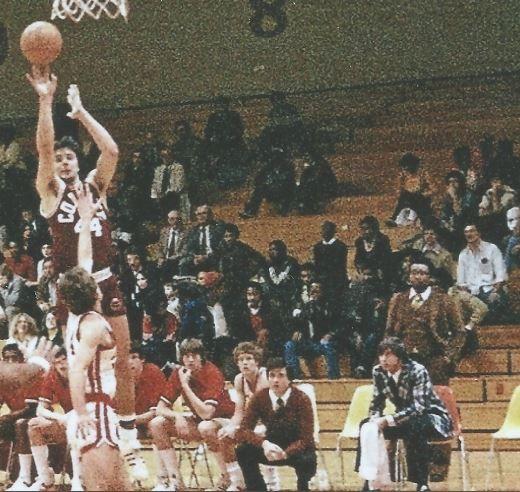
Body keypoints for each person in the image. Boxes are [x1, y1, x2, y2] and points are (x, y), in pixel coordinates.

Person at [27, 65, 145, 478]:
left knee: (123, 355)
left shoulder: (96, 185)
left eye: (68, 156)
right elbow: (42, 149)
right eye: (58, 158)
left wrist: (81, 113)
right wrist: (46, 101)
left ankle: (128, 438)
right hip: (72, 289)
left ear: (78, 161)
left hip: (105, 279)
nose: (62, 161)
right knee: (83, 363)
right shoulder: (50, 195)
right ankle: (87, 429)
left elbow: (111, 151)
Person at [357, 337, 452, 492]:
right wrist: (375, 419)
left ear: (399, 357)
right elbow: (376, 403)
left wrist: (388, 419)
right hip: (403, 418)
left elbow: (419, 407)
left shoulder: (417, 370)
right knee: (366, 425)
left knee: (416, 425)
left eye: (388, 355)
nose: (383, 359)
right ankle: (370, 479)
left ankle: (421, 482)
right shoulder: (378, 372)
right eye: (381, 355)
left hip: (432, 417)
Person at [149, 338, 236, 491]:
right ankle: (175, 482)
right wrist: (177, 416)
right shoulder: (178, 373)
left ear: (201, 356)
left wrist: (185, 386)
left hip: (226, 422)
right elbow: (160, 408)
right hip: (198, 421)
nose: (190, 360)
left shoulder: (212, 372)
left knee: (206, 427)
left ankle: (227, 478)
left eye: (194, 356)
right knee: (156, 424)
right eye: (186, 356)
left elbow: (207, 414)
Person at [235, 357, 317, 491]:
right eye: (271, 375)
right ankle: (257, 488)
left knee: (308, 460)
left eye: (281, 375)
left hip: (296, 447)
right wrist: (264, 444)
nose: (275, 380)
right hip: (271, 446)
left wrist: (286, 453)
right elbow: (244, 430)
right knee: (243, 450)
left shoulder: (302, 399)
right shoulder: (260, 397)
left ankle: (303, 487)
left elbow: (306, 437)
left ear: (289, 379)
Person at [386, 260, 465, 384]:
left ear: (430, 277)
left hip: (434, 359)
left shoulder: (444, 300)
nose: (417, 277)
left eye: (422, 273)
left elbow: (460, 332)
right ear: (409, 276)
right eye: (414, 273)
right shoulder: (398, 300)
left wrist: (448, 357)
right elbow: (389, 331)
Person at [217, 342, 280, 491]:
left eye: (249, 358)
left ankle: (272, 482)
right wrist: (231, 426)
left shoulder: (265, 377)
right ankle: (238, 482)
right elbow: (239, 411)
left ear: (257, 361)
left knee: (259, 433)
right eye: (241, 359)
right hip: (255, 423)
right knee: (225, 436)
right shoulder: (239, 379)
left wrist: (241, 428)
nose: (245, 362)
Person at [26, 348, 83, 491]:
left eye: (65, 360)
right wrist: (60, 417)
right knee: (34, 426)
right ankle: (46, 480)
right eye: (57, 363)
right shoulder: (52, 375)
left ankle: (79, 479)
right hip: (67, 421)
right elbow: (41, 409)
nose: (62, 365)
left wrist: (70, 417)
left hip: (88, 421)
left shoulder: (83, 371)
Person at [1, 344, 42, 492]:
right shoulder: (3, 377)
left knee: (20, 424)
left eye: (14, 357)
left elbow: (32, 408)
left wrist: (9, 417)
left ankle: (22, 478)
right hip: (12, 419)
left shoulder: (30, 374)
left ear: (22, 358)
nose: (11, 362)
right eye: (7, 359)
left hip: (34, 418)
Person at [457, 223, 509, 322]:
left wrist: (495, 292)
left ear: (479, 233)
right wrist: (467, 298)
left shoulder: (492, 249)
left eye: (472, 231)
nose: (469, 234)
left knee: (497, 302)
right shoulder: (463, 255)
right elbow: (461, 281)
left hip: (489, 290)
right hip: (472, 294)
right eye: (466, 232)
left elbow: (500, 274)